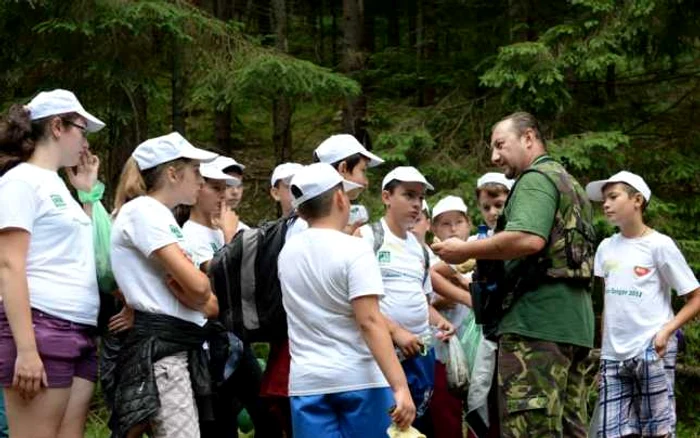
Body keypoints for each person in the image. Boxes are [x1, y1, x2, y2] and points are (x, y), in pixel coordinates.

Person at [432, 112, 596, 437]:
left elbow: (528, 238)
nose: (494, 156)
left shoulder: (535, 179)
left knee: (530, 428)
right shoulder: (568, 182)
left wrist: (466, 250)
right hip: (574, 325)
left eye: (500, 145)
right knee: (569, 428)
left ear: (529, 138)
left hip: (537, 325)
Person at [278, 162, 416, 437]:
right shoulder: (354, 249)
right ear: (340, 198)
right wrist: (400, 387)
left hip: (307, 383)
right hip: (360, 380)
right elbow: (369, 321)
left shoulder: (287, 253)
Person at [0, 89, 106, 438]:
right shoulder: (19, 182)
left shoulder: (58, 186)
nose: (86, 143)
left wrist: (87, 193)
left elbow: (80, 255)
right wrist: (27, 351)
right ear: (58, 126)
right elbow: (9, 265)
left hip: (79, 329)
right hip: (42, 326)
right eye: (82, 129)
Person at [108, 132, 221, 438]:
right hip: (162, 350)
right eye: (196, 170)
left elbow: (209, 302)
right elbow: (199, 288)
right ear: (173, 173)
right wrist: (197, 291)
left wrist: (198, 292)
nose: (202, 180)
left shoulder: (160, 215)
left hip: (176, 345)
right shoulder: (144, 211)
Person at [586, 171, 700, 438]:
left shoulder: (659, 245)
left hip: (652, 349)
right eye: (604, 199)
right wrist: (604, 352)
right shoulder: (605, 247)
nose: (606, 204)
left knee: (657, 431)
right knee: (610, 432)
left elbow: (695, 297)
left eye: (613, 197)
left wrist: (666, 332)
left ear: (637, 200)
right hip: (614, 356)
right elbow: (608, 303)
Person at [356, 166, 455, 433]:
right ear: (386, 197)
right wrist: (395, 331)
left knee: (415, 428)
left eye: (420, 199)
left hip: (420, 354)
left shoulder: (419, 249)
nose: (416, 205)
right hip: (382, 356)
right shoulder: (367, 237)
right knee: (385, 428)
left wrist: (440, 321)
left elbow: (422, 300)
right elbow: (354, 301)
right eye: (409, 195)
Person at [220, 156, 249, 232]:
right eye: (228, 185)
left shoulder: (244, 230)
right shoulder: (188, 228)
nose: (235, 192)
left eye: (239, 186)